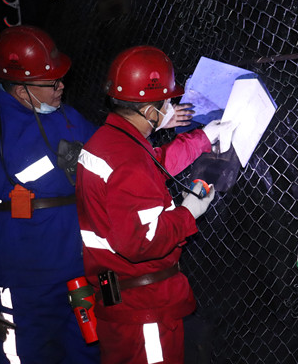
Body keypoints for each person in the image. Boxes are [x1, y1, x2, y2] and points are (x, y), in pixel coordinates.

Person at [0, 25, 100, 363]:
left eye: (60, 78)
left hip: (80, 280)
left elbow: (113, 158)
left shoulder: (71, 119)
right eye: (51, 82)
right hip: (23, 294)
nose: (61, 86)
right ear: (20, 89)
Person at [75, 45, 232, 364]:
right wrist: (188, 212)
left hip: (118, 296)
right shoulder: (128, 160)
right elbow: (142, 242)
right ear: (150, 111)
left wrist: (202, 138)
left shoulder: (108, 142)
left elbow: (153, 164)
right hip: (143, 311)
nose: (172, 108)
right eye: (168, 103)